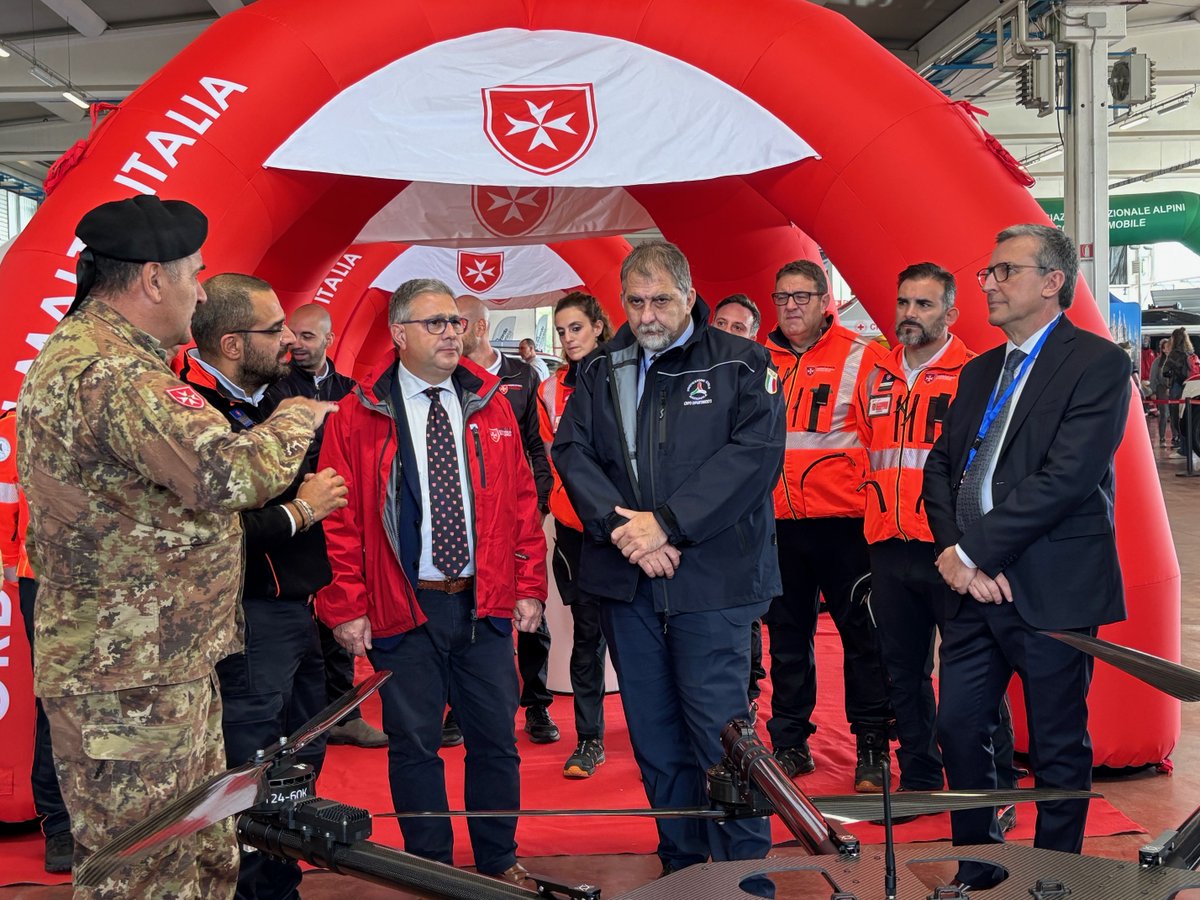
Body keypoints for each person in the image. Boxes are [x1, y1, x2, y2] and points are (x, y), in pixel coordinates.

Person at [16, 195, 334, 899]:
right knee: (146, 871)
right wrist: (295, 418)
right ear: (154, 279)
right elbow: (231, 473)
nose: (199, 290)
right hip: (128, 681)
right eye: (194, 272)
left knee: (194, 854)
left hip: (153, 663)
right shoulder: (114, 373)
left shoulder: (112, 357)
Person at [553, 241, 783, 890]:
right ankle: (682, 871)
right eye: (635, 301)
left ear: (688, 294)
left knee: (723, 738)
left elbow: (753, 461)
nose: (648, 314)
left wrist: (670, 523)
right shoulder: (599, 370)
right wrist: (629, 531)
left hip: (713, 583)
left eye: (661, 300)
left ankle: (744, 880)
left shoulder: (743, 363)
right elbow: (572, 454)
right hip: (627, 582)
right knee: (655, 740)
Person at [315, 278, 546, 885]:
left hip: (485, 602)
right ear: (398, 335)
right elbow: (337, 520)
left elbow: (522, 502)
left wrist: (529, 585)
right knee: (414, 745)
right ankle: (432, 869)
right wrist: (345, 604)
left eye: (455, 321)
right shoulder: (358, 414)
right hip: (404, 607)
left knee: (495, 740)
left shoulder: (491, 402)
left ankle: (499, 860)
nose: (452, 332)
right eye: (435, 323)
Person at [923, 223, 1131, 892]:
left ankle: (1053, 872)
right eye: (988, 272)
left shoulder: (1097, 364)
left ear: (1052, 282)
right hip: (971, 588)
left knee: (1056, 742)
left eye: (1004, 271)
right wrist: (958, 558)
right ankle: (981, 862)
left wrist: (976, 552)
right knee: (957, 728)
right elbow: (943, 469)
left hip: (1051, 584)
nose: (988, 283)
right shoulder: (982, 369)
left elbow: (1066, 479)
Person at [181, 274, 349, 900]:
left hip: (296, 611)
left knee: (297, 764)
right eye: (274, 329)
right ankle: (257, 889)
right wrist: (300, 511)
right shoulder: (191, 410)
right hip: (244, 617)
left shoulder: (275, 397)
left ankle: (280, 878)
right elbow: (208, 529)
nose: (290, 342)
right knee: (249, 768)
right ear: (230, 342)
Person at [854, 263, 1019, 829]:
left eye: (923, 305)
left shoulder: (976, 373)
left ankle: (993, 791)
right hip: (888, 545)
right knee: (901, 670)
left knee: (975, 674)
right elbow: (865, 447)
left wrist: (971, 546)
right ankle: (921, 779)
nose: (909, 315)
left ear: (950, 313)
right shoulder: (874, 371)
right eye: (903, 303)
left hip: (953, 551)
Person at [762, 259, 894, 792]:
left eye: (802, 296)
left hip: (845, 527)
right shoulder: (755, 361)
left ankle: (871, 746)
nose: (791, 306)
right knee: (787, 641)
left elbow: (885, 434)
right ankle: (790, 744)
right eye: (782, 297)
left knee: (864, 639)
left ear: (824, 301)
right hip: (777, 528)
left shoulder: (864, 358)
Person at [265, 303, 386, 750]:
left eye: (308, 336)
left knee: (343, 615)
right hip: (294, 516)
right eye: (291, 334)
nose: (296, 343)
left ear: (329, 340)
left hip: (340, 514)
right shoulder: (275, 389)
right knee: (305, 630)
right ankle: (302, 723)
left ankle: (345, 713)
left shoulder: (351, 391)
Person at [457, 294, 558, 745]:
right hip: (467, 524)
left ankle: (536, 705)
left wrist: (537, 502)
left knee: (531, 610)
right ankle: (460, 708)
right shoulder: (450, 379)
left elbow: (537, 447)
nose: (448, 333)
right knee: (468, 613)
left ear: (479, 328)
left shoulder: (523, 375)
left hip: (518, 515)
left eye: (456, 323)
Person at [537, 291, 614, 778]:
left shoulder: (629, 377)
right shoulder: (549, 390)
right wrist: (553, 502)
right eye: (561, 331)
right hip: (573, 533)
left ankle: (659, 734)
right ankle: (589, 740)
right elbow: (544, 456)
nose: (568, 339)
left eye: (577, 329)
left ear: (599, 326)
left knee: (637, 637)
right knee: (587, 637)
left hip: (626, 533)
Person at [0, 411, 74, 873]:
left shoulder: (124, 399)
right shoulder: (16, 421)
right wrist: (10, 556)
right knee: (58, 702)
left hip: (119, 580)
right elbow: (7, 492)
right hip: (43, 577)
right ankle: (61, 823)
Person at [709, 293, 766, 713]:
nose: (728, 334)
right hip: (694, 529)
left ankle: (744, 702)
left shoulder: (761, 381)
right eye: (721, 325)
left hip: (742, 525)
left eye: (738, 328)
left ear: (754, 337)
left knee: (742, 620)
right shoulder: (687, 378)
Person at [1164, 327, 1193, 454]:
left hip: (1176, 386)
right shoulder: (1190, 353)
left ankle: (1183, 448)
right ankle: (1188, 448)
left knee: (1176, 418)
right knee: (1187, 417)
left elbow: (1165, 371)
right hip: (1189, 387)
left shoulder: (1174, 354)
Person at [1149, 337, 1172, 447]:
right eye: (1166, 346)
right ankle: (1162, 436)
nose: (1168, 348)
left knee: (1173, 414)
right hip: (1161, 389)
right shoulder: (1157, 362)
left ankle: (1175, 436)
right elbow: (1153, 377)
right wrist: (1153, 391)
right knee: (1164, 414)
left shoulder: (1173, 360)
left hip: (1172, 388)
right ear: (1162, 349)